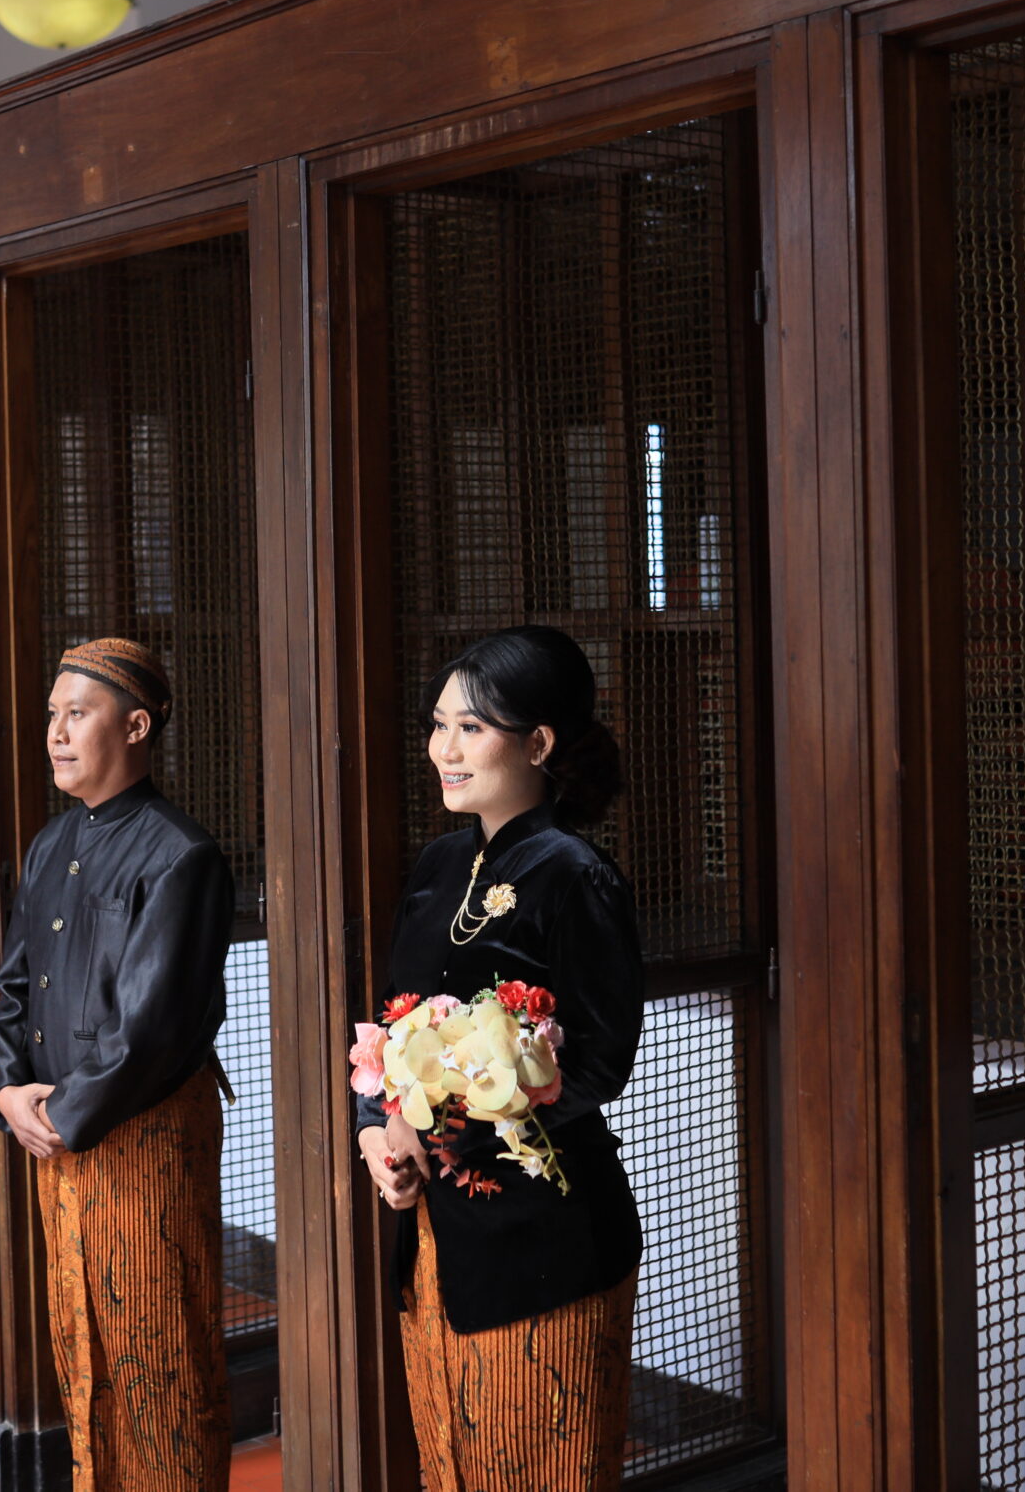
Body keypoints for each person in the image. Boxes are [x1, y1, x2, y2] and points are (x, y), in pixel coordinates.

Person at [354, 625, 646, 1491]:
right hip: (436, 1239)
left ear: (539, 743)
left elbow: (597, 1064)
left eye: (471, 727)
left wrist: (443, 1128)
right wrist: (377, 1128)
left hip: (544, 1237)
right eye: (438, 725)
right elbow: (391, 1030)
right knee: (452, 1460)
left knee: (540, 1463)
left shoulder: (576, 874)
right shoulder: (439, 864)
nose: (443, 748)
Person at [0, 637, 233, 1491]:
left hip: (145, 1140)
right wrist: (8, 1089)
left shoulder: (180, 854)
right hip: (56, 1138)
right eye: (52, 715)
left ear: (135, 727)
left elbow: (153, 1029)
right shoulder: (49, 844)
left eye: (77, 714)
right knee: (79, 1338)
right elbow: (14, 984)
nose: (56, 733)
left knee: (161, 1352)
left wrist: (59, 1115)